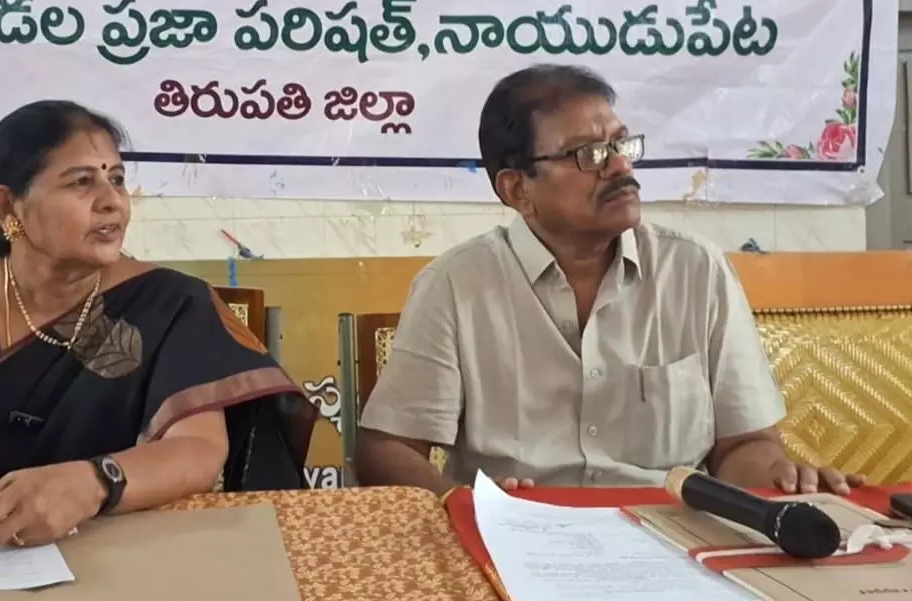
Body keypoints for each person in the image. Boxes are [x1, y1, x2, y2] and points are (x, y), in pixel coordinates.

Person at [0, 100, 315, 553]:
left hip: (128, 537)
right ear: (8, 206)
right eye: (82, 182)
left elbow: (197, 450)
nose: (112, 201)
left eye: (116, 179)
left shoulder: (172, 302)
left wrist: (94, 482)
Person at [355, 65, 863, 497]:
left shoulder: (696, 271)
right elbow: (386, 448)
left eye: (621, 144)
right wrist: (463, 504)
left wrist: (781, 478)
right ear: (518, 189)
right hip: (514, 542)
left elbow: (744, 445)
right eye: (588, 155)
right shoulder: (456, 284)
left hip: (671, 537)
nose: (620, 166)